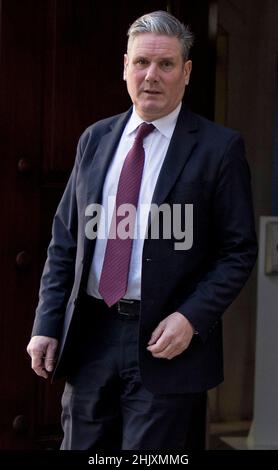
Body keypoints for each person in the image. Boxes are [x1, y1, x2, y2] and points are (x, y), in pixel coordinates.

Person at [27, 10, 257, 450]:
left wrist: (192, 317)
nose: (151, 75)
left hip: (163, 343)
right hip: (91, 335)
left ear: (186, 72)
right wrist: (46, 323)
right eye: (141, 63)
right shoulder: (95, 139)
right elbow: (66, 240)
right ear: (125, 66)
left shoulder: (219, 148)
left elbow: (237, 250)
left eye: (166, 64)